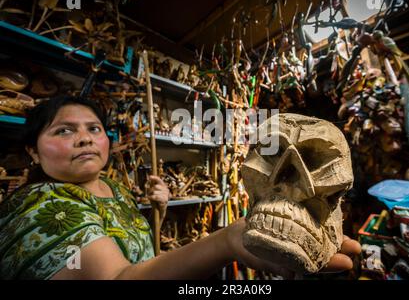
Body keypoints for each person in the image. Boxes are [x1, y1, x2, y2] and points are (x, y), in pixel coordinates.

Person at [0, 96, 361, 280]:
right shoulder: (38, 207)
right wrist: (227, 241)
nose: (84, 139)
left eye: (93, 129)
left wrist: (158, 208)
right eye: (64, 130)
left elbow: (138, 259)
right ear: (33, 150)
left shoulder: (113, 189)